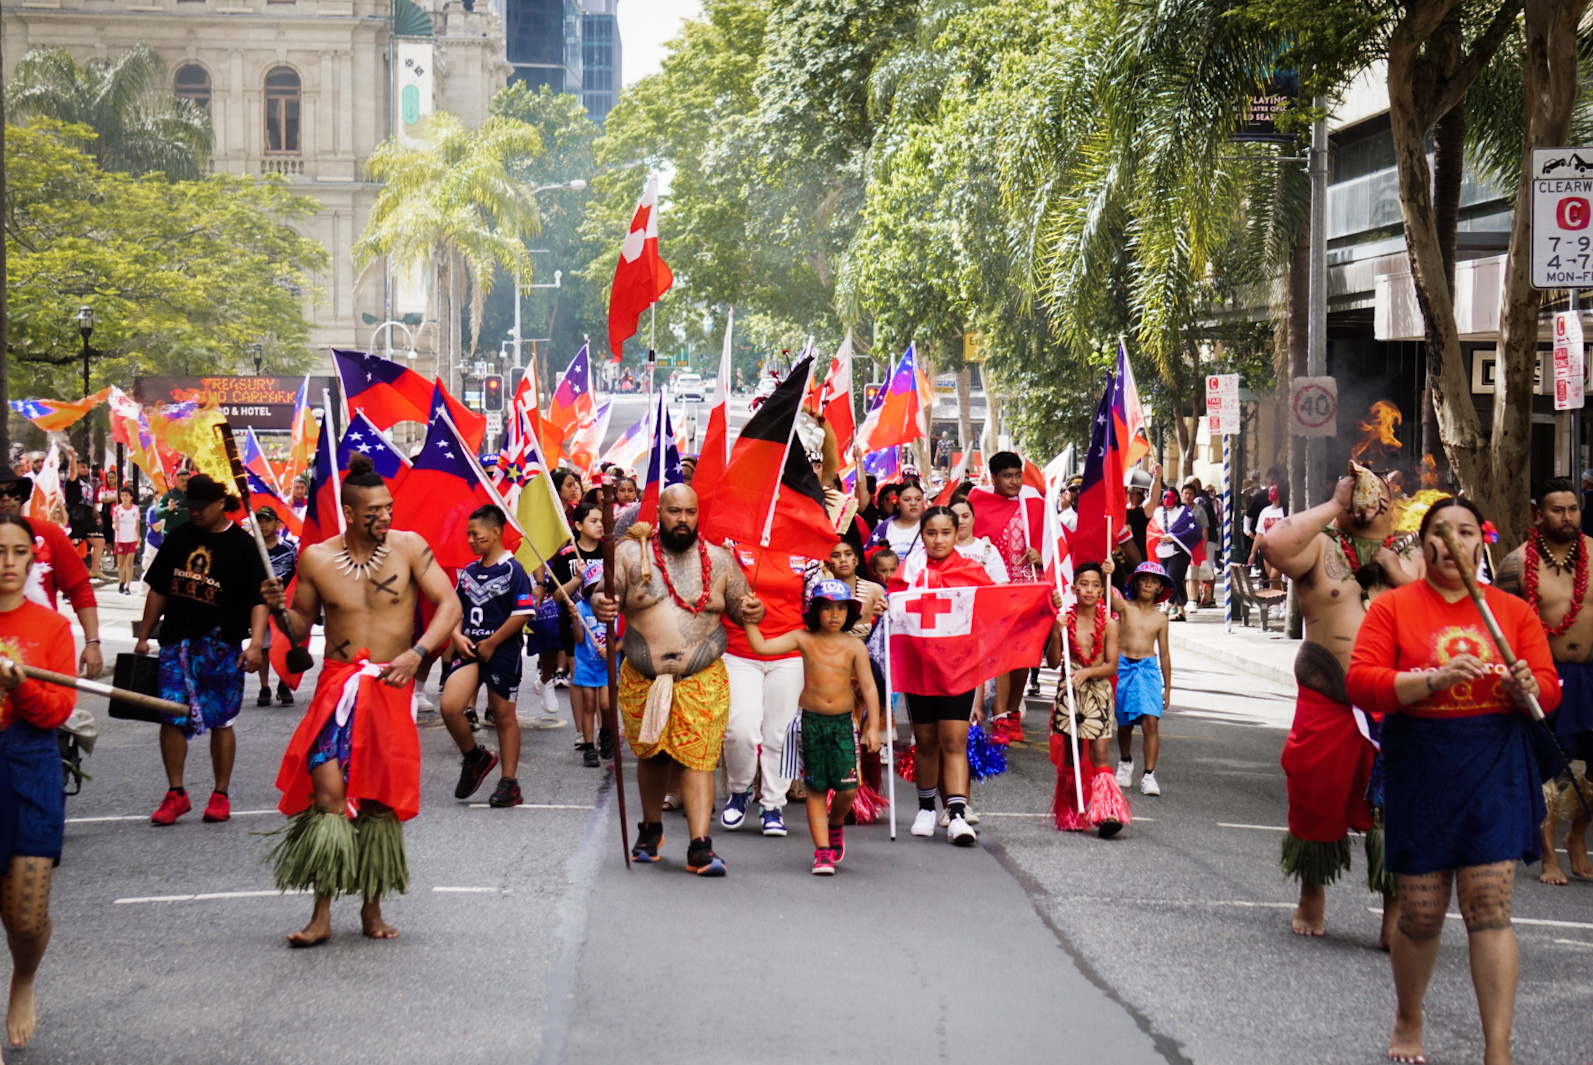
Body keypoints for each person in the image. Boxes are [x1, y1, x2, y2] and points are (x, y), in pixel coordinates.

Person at [1346, 498, 1555, 1065]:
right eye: (1442, 533)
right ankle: (1409, 1018)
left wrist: (1524, 688)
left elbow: (1546, 687)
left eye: (1466, 532)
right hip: (1423, 764)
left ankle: (1497, 1048)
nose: (1454, 543)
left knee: (1489, 906)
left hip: (1494, 763)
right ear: (1425, 543)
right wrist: (1428, 680)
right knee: (1420, 912)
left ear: (1481, 542)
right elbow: (1362, 682)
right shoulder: (1393, 609)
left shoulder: (1512, 612)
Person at [263, 453, 460, 945]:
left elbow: (450, 604)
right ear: (349, 513)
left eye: (388, 508)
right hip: (337, 687)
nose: (385, 518)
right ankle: (321, 916)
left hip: (390, 688)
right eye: (373, 511)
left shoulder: (411, 547)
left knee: (377, 802)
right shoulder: (317, 559)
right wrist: (277, 610)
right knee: (328, 795)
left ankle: (372, 911)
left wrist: (417, 653)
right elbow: (300, 628)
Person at [1258, 468, 1421, 941]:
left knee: (1395, 809)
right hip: (1328, 697)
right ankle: (1312, 893)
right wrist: (1334, 504)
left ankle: (1395, 910)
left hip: (1395, 702)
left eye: (1381, 495)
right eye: (1360, 495)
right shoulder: (1321, 544)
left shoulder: (1412, 552)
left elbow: (1441, 606)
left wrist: (1396, 574)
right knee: (1315, 793)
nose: (1371, 503)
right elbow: (1273, 546)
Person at [592, 484, 754, 875]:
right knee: (652, 753)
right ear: (659, 512)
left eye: (690, 512)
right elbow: (602, 596)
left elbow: (744, 606)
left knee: (698, 759)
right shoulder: (631, 555)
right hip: (642, 677)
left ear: (699, 515)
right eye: (674, 511)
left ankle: (700, 845)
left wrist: (754, 607)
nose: (683, 519)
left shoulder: (721, 561)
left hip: (701, 676)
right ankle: (650, 829)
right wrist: (602, 604)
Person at [134, 474, 268, 826]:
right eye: (190, 507)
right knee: (170, 715)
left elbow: (258, 599)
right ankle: (175, 793)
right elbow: (159, 589)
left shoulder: (242, 545)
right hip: (176, 643)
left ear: (221, 504)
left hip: (222, 645)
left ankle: (220, 794)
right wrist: (144, 634)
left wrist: (255, 644)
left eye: (200, 507)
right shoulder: (178, 537)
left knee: (222, 719)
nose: (193, 513)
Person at [0, 514, 77, 1048]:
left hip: (29, 765)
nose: (7, 562)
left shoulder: (50, 627)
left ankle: (22, 980)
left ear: (33, 558)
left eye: (18, 552)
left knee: (25, 918)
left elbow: (58, 710)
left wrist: (20, 688)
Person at [743, 579, 880, 874]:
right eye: (827, 607)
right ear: (815, 610)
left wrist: (873, 727)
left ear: (850, 613)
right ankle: (822, 851)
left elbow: (868, 687)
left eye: (841, 608)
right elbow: (762, 646)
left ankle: (835, 824)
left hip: (844, 725)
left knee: (848, 789)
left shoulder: (855, 645)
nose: (834, 614)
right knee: (816, 789)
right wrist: (750, 620)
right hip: (812, 723)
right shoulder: (803, 638)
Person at [1494, 477, 1593, 884]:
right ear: (1539, 514)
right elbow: (1501, 630)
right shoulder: (1516, 564)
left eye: (1572, 509)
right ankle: (1549, 854)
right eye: (1558, 510)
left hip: (1591, 672)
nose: (1567, 517)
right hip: (1545, 676)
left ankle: (1577, 836)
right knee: (1545, 770)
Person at [891, 506, 1002, 845]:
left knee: (954, 741)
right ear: (921, 535)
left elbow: (996, 610)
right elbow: (896, 606)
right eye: (931, 533)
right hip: (920, 668)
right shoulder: (910, 569)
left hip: (959, 670)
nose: (938, 539)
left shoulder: (973, 571)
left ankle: (955, 815)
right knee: (924, 742)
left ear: (957, 534)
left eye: (945, 532)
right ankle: (925, 808)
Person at [719, 539, 818, 838]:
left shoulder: (805, 546)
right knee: (740, 727)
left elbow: (815, 605)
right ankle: (740, 789)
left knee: (780, 732)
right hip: (738, 649)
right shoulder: (730, 543)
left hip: (789, 653)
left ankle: (773, 803)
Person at [440, 505, 535, 809]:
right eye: (468, 534)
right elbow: (454, 608)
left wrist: (493, 642)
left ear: (495, 533)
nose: (470, 540)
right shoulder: (469, 571)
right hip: (470, 650)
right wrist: (456, 635)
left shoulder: (514, 570)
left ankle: (509, 782)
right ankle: (475, 758)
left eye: (475, 534)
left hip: (502, 651)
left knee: (504, 715)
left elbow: (523, 612)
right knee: (450, 706)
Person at [1046, 562, 1129, 837]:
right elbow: (1052, 661)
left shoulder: (1109, 624)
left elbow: (1111, 666)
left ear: (1101, 591)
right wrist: (1056, 632)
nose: (1090, 590)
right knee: (1072, 752)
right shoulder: (1064, 619)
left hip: (1097, 692)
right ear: (1074, 588)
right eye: (1084, 584)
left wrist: (1087, 672)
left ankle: (1107, 812)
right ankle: (1071, 811)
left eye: (1095, 585)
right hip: (1069, 690)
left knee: (1100, 752)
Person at [968, 452, 1045, 743]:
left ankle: (1012, 713)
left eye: (1017, 475)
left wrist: (1041, 555)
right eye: (1007, 476)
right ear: (994, 477)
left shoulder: (1035, 503)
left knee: (1021, 656)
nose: (1014, 481)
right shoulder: (977, 504)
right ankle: (994, 715)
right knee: (995, 656)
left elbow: (1053, 542)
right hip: (993, 593)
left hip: (1026, 591)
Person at [0, 472, 102, 679]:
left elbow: (80, 588)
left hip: (39, 654)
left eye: (13, 492)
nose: (6, 498)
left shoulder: (49, 535)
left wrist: (92, 642)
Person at [1111, 561, 1173, 796]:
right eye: (1144, 580)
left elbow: (1165, 654)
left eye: (1154, 581)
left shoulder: (1161, 619)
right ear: (1136, 583)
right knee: (1125, 723)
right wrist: (1109, 569)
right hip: (1123, 667)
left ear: (1160, 588)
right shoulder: (1125, 608)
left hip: (1148, 670)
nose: (1148, 584)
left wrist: (1167, 687)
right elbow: (1109, 595)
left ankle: (1149, 775)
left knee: (1150, 721)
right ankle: (1125, 763)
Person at [569, 562, 609, 768]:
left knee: (605, 704)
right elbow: (578, 638)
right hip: (586, 664)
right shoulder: (582, 607)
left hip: (607, 667)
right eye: (593, 588)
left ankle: (606, 734)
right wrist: (575, 619)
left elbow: (621, 635)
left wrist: (611, 649)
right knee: (589, 704)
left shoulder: (613, 608)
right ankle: (588, 746)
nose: (597, 592)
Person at [949, 498, 1009, 583]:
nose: (960, 521)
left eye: (965, 516)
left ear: (973, 519)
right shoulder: (941, 550)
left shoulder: (989, 549)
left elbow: (1002, 585)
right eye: (955, 517)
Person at [112, 486, 141, 595]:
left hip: (132, 539)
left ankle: (128, 585)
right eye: (122, 495)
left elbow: (137, 524)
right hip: (120, 539)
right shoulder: (117, 509)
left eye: (126, 495)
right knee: (120, 563)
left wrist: (138, 539)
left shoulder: (135, 509)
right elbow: (114, 523)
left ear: (131, 497)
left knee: (129, 562)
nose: (124, 498)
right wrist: (115, 526)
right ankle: (121, 581)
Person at [154, 468, 192, 537]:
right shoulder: (167, 495)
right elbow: (158, 514)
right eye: (182, 480)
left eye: (187, 480)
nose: (185, 483)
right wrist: (168, 509)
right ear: (176, 480)